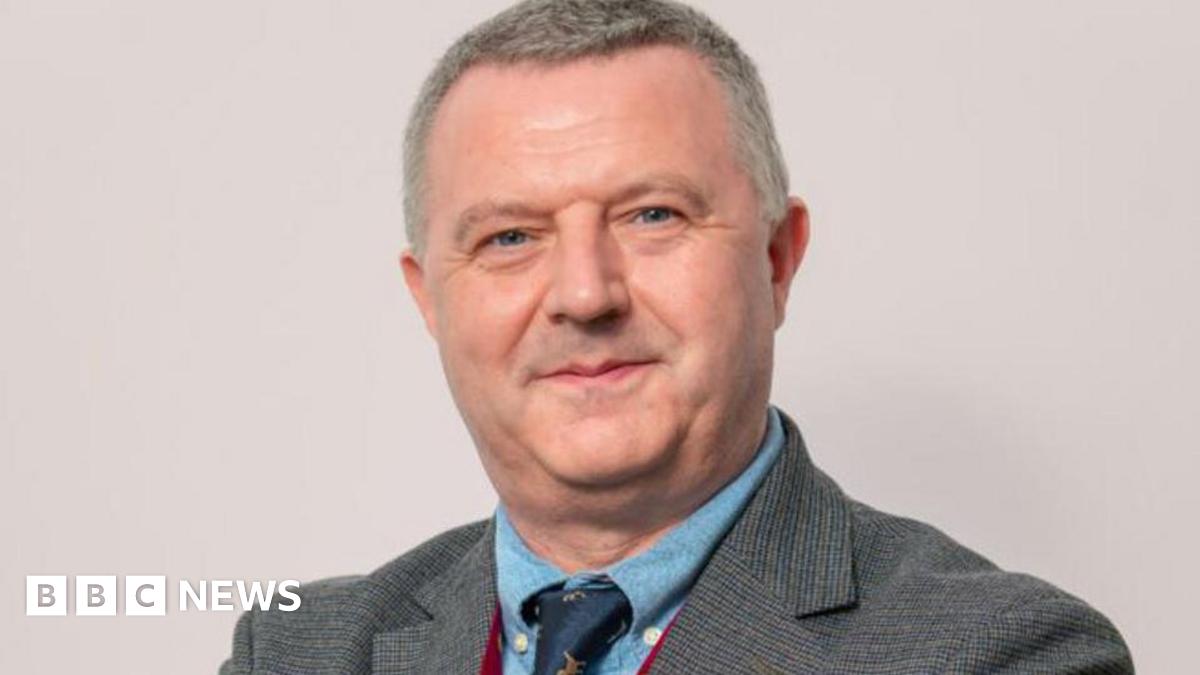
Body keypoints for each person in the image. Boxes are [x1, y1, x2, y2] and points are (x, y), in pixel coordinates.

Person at [221, 1, 1133, 672]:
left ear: (777, 260)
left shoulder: (1003, 654)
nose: (584, 293)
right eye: (509, 237)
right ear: (430, 299)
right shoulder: (299, 651)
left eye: (652, 214)